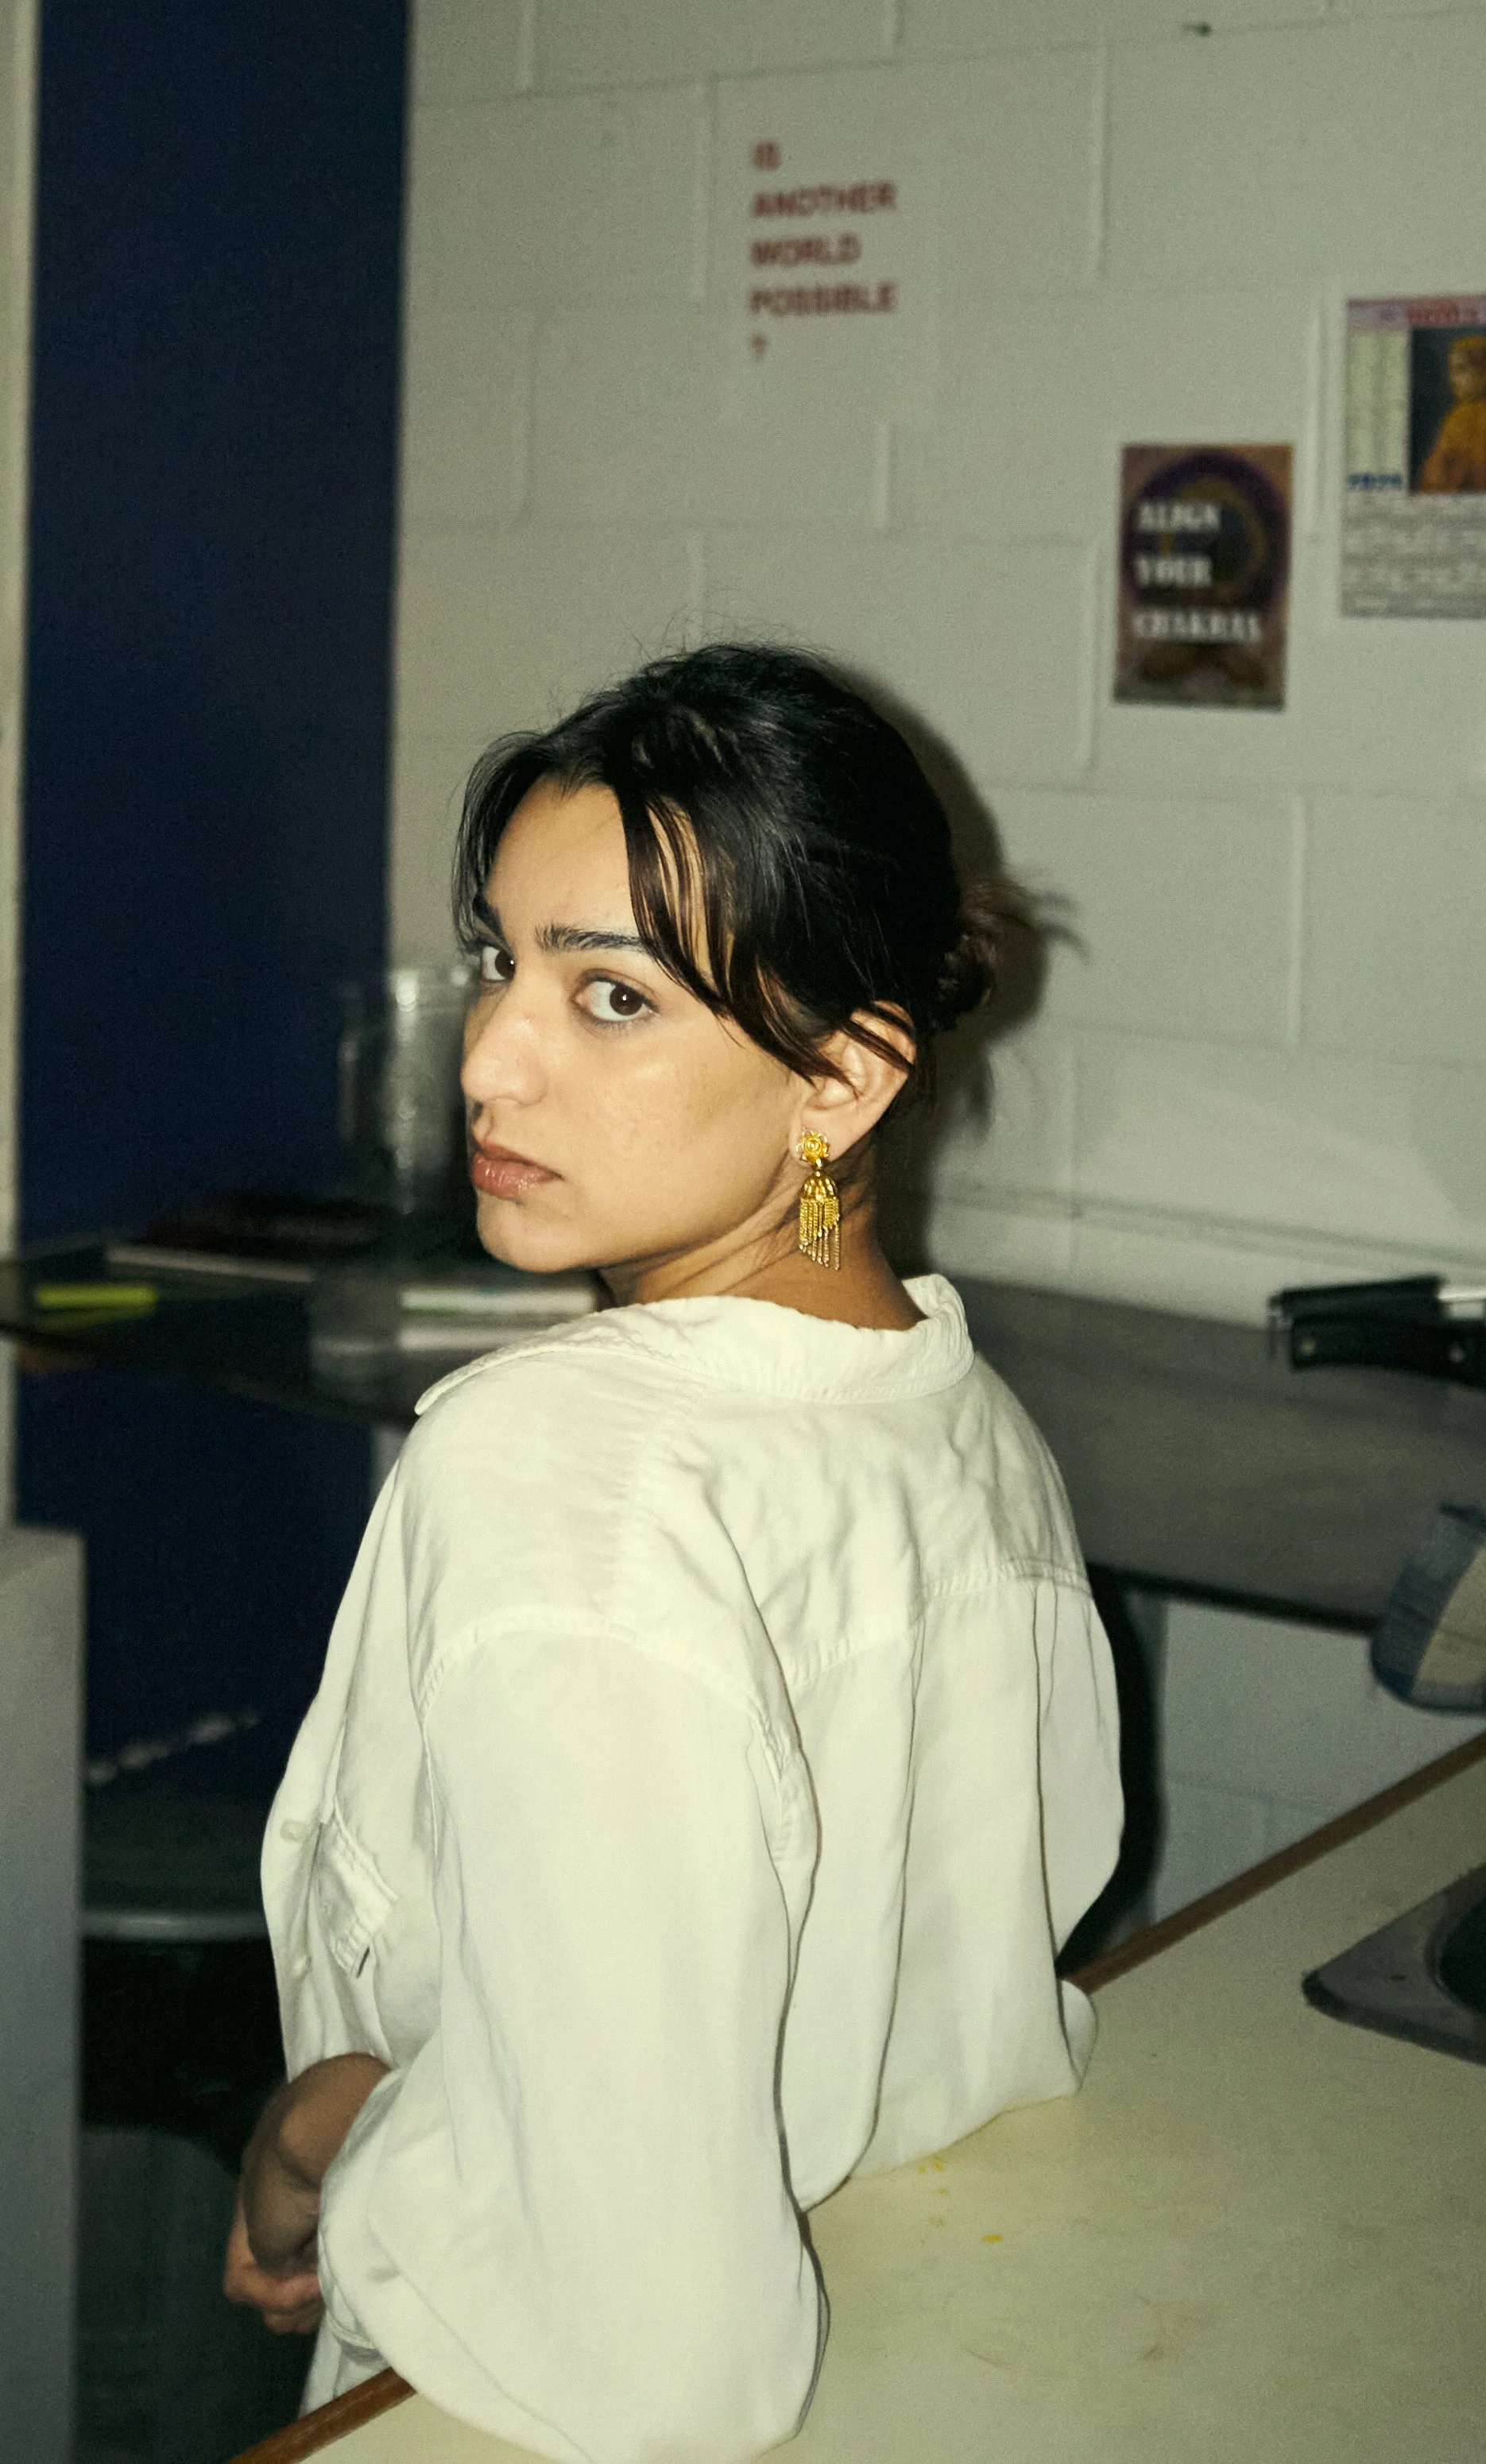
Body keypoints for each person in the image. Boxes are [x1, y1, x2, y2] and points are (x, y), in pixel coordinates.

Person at [223, 644, 1124, 2463]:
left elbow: (647, 2332)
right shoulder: (960, 1421)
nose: (489, 1055)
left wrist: (321, 2128)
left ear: (843, 1081)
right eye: (501, 960)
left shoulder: (551, 1469)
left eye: (612, 999)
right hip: (915, 2348)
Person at [1415, 334, 1486, 493]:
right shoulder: (1459, 418)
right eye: (1451, 371)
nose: (1453, 379)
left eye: (1461, 369)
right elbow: (1434, 479)